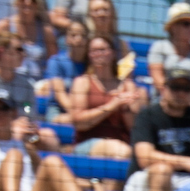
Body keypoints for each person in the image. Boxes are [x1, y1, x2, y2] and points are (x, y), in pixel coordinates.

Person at [127, 64, 190, 191]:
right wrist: (184, 162)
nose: (181, 93)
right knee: (162, 171)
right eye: (175, 87)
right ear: (163, 89)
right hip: (145, 179)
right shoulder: (147, 115)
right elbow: (144, 157)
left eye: (186, 89)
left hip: (186, 180)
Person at [57, 25, 137, 158]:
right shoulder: (82, 82)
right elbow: (78, 122)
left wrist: (125, 108)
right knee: (121, 152)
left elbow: (133, 128)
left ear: (112, 53)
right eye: (93, 51)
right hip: (87, 145)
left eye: (102, 50)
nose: (98, 54)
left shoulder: (127, 85)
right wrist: (111, 106)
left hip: (122, 144)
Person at [144, 0, 190, 97]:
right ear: (173, 27)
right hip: (164, 98)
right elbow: (158, 79)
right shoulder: (160, 47)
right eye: (186, 24)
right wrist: (176, 95)